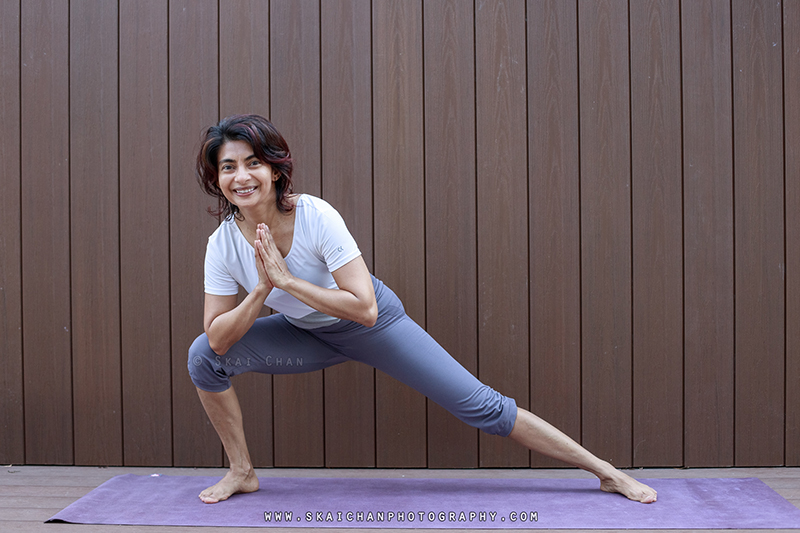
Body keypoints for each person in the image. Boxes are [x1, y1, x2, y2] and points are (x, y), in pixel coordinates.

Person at [188, 114, 657, 505]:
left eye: (252, 163)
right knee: (203, 358)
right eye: (228, 167)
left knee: (482, 406)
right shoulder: (223, 245)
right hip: (303, 332)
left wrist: (287, 280)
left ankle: (604, 471)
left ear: (274, 170)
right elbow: (218, 337)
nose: (241, 176)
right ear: (218, 180)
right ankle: (242, 471)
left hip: (374, 325)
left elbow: (365, 309)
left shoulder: (314, 216)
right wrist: (259, 293)